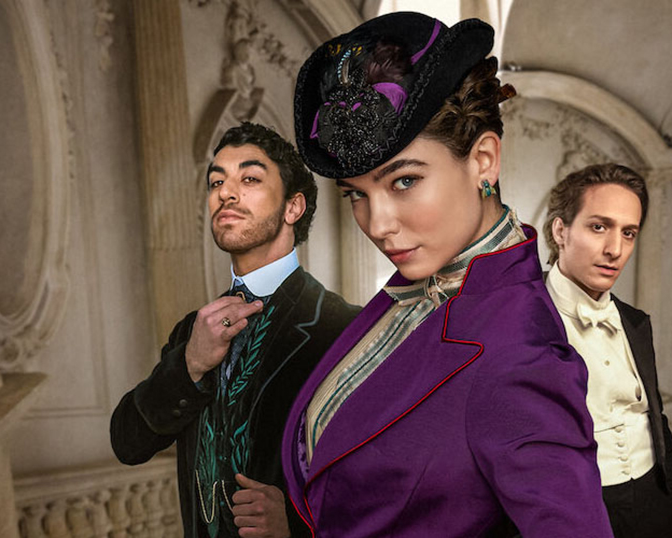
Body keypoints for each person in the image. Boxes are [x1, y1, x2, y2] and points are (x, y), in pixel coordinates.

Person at [280, 12, 614, 536]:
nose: (377, 225)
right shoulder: (416, 289)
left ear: (483, 159)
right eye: (355, 195)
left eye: (404, 181)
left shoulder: (521, 358)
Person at [111, 122, 358, 538]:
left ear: (293, 207)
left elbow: (385, 481)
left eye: (250, 179)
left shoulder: (343, 327)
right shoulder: (192, 330)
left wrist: (300, 521)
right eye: (216, 182)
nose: (226, 192)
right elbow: (127, 443)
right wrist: (189, 364)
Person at [543, 163, 672, 537]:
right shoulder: (519, 318)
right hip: (574, 510)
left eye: (628, 233)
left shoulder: (635, 321)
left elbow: (653, 415)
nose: (615, 250)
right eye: (599, 227)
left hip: (655, 500)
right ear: (561, 231)